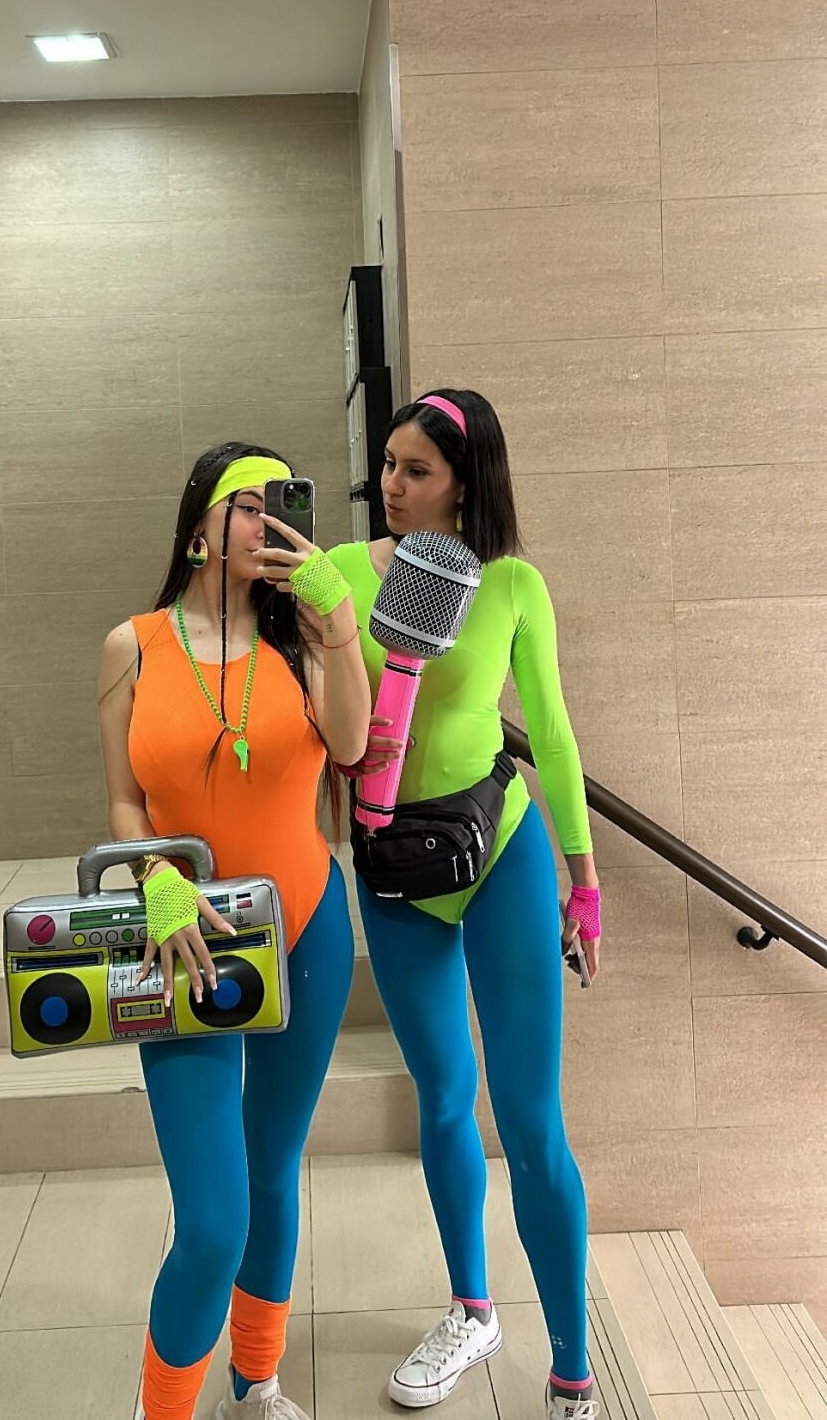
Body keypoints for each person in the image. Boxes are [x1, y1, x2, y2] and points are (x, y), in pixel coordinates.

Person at [326, 388, 602, 1420]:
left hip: (499, 855)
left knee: (530, 1119)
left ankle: (571, 1367)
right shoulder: (344, 573)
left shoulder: (514, 584)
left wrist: (583, 879)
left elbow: (553, 734)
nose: (391, 486)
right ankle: (470, 1309)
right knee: (442, 1097)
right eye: (387, 465)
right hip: (393, 864)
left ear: (463, 481)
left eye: (416, 470)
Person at [98, 441, 371, 1420]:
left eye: (278, 504)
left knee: (272, 1170)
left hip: (306, 932)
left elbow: (351, 746)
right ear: (199, 527)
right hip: (185, 943)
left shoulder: (304, 640)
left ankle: (256, 1382)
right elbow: (124, 800)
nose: (266, 521)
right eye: (247, 504)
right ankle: (163, 1410)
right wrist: (155, 878)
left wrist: (338, 622)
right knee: (214, 1221)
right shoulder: (132, 646)